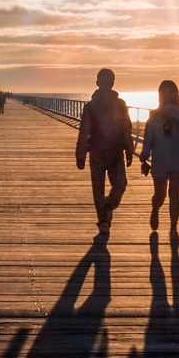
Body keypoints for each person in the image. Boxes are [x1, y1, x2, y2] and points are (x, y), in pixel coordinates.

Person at [75, 68, 134, 235]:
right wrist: (80, 155)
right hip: (97, 154)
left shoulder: (121, 104)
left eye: (109, 81)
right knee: (98, 190)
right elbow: (83, 132)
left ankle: (108, 206)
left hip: (116, 153)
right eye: (103, 81)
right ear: (97, 83)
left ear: (113, 83)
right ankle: (103, 221)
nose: (106, 85)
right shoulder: (90, 107)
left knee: (120, 185)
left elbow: (126, 128)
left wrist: (129, 150)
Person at [139, 80, 179, 240]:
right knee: (160, 195)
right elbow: (149, 137)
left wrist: (170, 110)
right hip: (160, 161)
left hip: (177, 160)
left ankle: (173, 229)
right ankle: (155, 208)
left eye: (171, 91)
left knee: (174, 194)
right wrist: (144, 154)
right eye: (164, 92)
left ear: (176, 94)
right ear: (160, 94)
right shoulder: (153, 115)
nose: (168, 95)